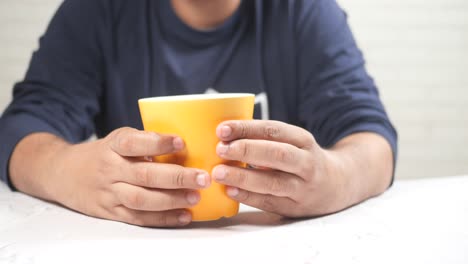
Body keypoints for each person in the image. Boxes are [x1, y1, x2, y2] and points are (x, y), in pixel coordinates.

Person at [0, 0, 397, 227]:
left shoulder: (303, 11)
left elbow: (371, 137)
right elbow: (20, 128)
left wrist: (336, 177)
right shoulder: (97, 11)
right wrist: (65, 169)